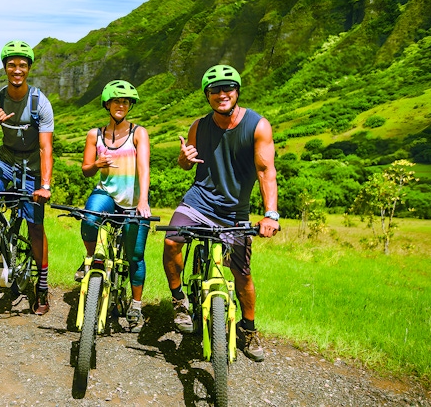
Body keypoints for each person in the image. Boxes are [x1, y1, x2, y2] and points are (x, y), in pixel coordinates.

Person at [162, 64, 279, 362]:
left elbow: (266, 172)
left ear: (237, 91)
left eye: (227, 88)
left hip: (234, 212)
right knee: (172, 242)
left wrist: (271, 214)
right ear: (207, 95)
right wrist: (183, 159)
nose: (221, 94)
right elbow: (188, 165)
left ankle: (249, 329)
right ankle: (179, 301)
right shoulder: (199, 126)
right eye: (215, 90)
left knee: (242, 274)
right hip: (198, 202)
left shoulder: (258, 126)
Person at [0, 40, 54, 315]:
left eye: (22, 65)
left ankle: (41, 288)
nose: (16, 70)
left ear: (28, 69)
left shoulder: (40, 103)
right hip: (4, 162)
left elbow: (45, 148)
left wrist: (44, 185)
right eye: (11, 65)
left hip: (31, 166)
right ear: (5, 68)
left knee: (34, 227)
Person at [76, 80, 152, 333]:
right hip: (106, 192)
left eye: (126, 102)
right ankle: (89, 259)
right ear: (107, 104)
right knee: (89, 218)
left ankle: (136, 304)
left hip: (132, 200)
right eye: (117, 101)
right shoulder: (94, 134)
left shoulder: (138, 132)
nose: (121, 105)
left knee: (135, 256)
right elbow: (86, 170)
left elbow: (144, 167)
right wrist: (97, 164)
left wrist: (143, 201)